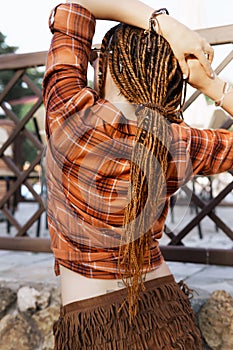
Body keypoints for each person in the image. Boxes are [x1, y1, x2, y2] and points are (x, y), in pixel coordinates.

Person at [42, 1, 233, 349]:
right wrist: (212, 85)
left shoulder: (68, 114)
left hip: (92, 324)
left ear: (108, 64)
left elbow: (77, 6)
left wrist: (164, 24)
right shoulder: (178, 142)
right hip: (167, 314)